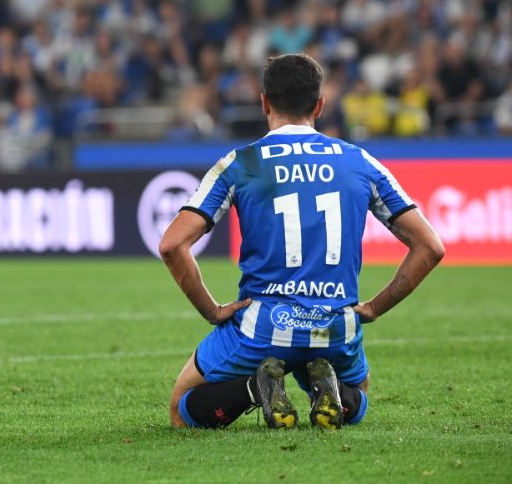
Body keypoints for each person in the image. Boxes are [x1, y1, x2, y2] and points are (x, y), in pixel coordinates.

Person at [160, 54, 445, 430]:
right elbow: (431, 247)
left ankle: (253, 389)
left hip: (262, 328)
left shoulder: (241, 163)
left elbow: (172, 245)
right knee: (358, 391)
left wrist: (212, 311)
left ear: (264, 102)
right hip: (335, 325)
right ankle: (327, 387)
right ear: (320, 105)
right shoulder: (359, 161)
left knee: (182, 410)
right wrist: (375, 307)